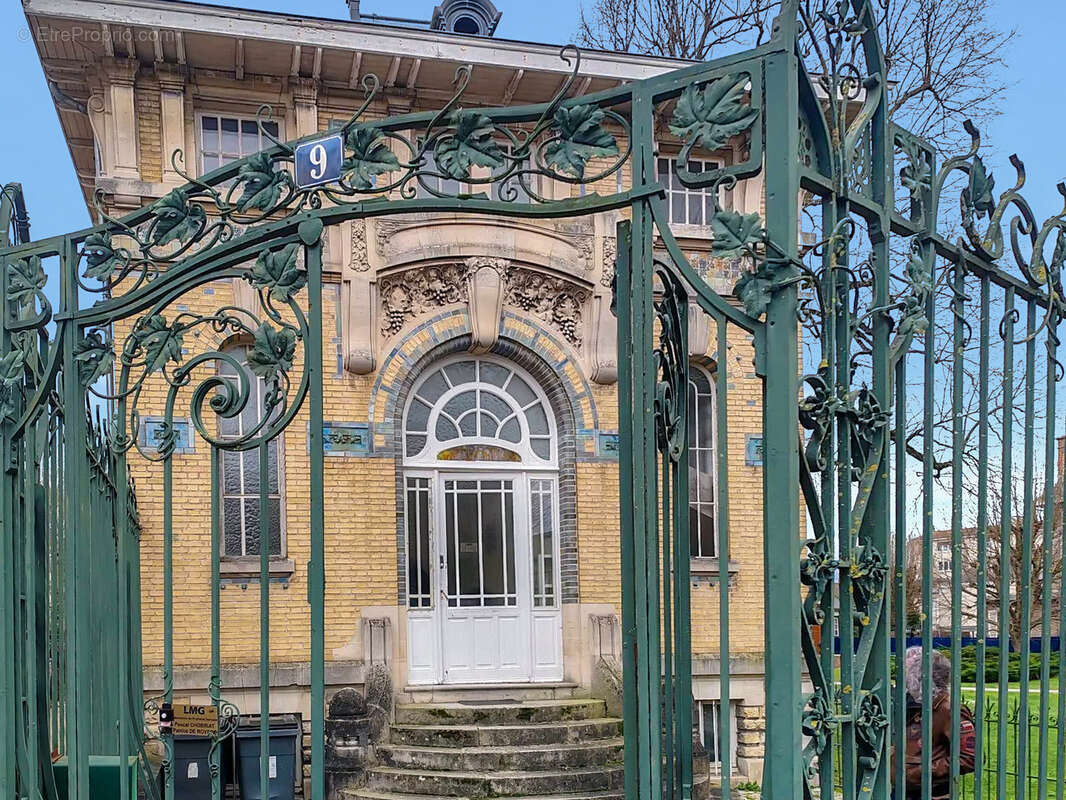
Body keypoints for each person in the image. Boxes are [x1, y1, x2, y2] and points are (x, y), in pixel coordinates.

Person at [892, 647, 976, 799]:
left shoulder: (948, 710)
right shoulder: (911, 704)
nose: (903, 677)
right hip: (901, 789)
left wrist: (922, 771)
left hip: (931, 793)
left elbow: (970, 757)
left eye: (908, 671)